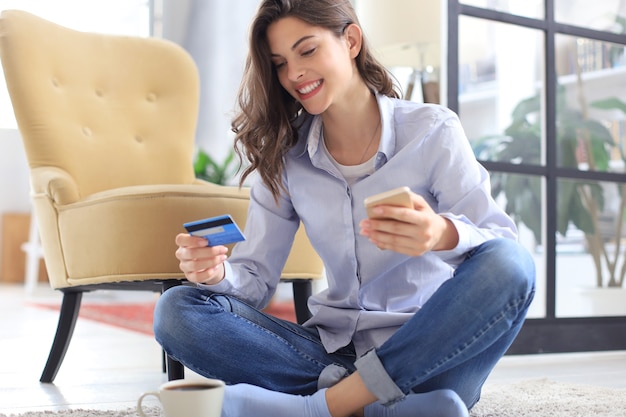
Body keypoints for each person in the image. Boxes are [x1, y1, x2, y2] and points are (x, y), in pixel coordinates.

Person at [154, 1, 536, 416]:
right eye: (280, 63)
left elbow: (501, 250)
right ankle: (382, 407)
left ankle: (324, 407)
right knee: (177, 310)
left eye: (307, 50)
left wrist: (440, 233)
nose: (294, 74)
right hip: (328, 356)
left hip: (430, 357)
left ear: (350, 40)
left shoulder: (432, 131)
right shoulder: (286, 155)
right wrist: (216, 274)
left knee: (513, 264)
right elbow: (256, 281)